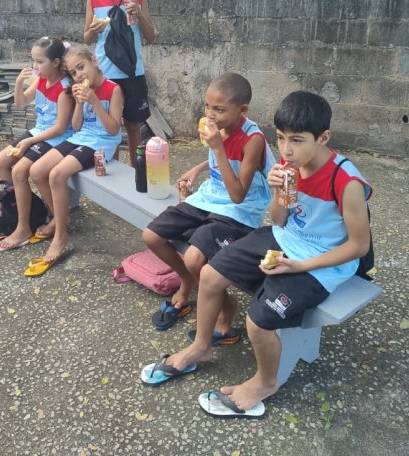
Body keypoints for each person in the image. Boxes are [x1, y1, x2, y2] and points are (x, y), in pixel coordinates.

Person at [147, 91, 373, 418]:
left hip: (321, 262)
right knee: (209, 275)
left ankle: (266, 382)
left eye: (297, 140)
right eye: (280, 138)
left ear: (323, 138)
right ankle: (201, 346)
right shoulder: (290, 166)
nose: (286, 150)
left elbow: (358, 246)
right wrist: (278, 192)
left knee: (258, 321)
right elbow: (279, 221)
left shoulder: (346, 181)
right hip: (283, 239)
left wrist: (301, 266)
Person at [142, 73, 274, 334]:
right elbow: (222, 159)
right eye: (207, 106)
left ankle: (227, 305)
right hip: (210, 197)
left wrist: (217, 148)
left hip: (239, 210)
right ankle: (187, 279)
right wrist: (198, 168)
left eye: (219, 109)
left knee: (194, 258)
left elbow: (238, 195)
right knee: (151, 236)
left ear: (242, 110)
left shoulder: (253, 139)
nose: (210, 115)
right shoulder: (219, 127)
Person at [26, 45, 123, 276]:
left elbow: (113, 130)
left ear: (94, 61)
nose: (79, 75)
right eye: (73, 72)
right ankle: (61, 217)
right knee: (37, 171)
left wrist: (96, 102)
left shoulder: (113, 89)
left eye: (81, 67)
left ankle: (60, 235)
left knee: (56, 175)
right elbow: (77, 127)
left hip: (101, 143)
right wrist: (80, 103)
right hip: (81, 137)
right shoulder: (80, 90)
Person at [0, 37, 75, 251]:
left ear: (55, 62)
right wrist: (19, 82)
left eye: (39, 62)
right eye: (33, 61)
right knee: (1, 162)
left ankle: (26, 226)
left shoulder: (64, 88)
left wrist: (30, 141)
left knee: (19, 171)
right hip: (39, 132)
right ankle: (26, 209)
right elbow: (20, 103)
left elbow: (60, 127)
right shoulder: (41, 80)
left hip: (56, 137)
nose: (35, 66)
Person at [83, 0, 155, 167]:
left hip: (133, 72)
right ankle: (112, 171)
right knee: (110, 126)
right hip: (106, 74)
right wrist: (93, 30)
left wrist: (139, 14)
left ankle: (135, 170)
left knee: (133, 125)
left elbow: (151, 35)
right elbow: (87, 39)